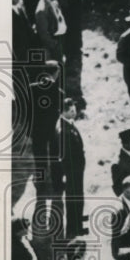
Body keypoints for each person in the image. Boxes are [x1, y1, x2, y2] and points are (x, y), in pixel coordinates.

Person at [52, 97, 85, 238]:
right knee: (74, 198)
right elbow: (65, 156)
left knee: (77, 197)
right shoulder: (63, 131)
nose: (75, 112)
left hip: (75, 170)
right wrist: (71, 172)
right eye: (72, 110)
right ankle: (74, 227)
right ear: (64, 112)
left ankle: (78, 222)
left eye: (75, 109)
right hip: (73, 171)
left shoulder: (67, 124)